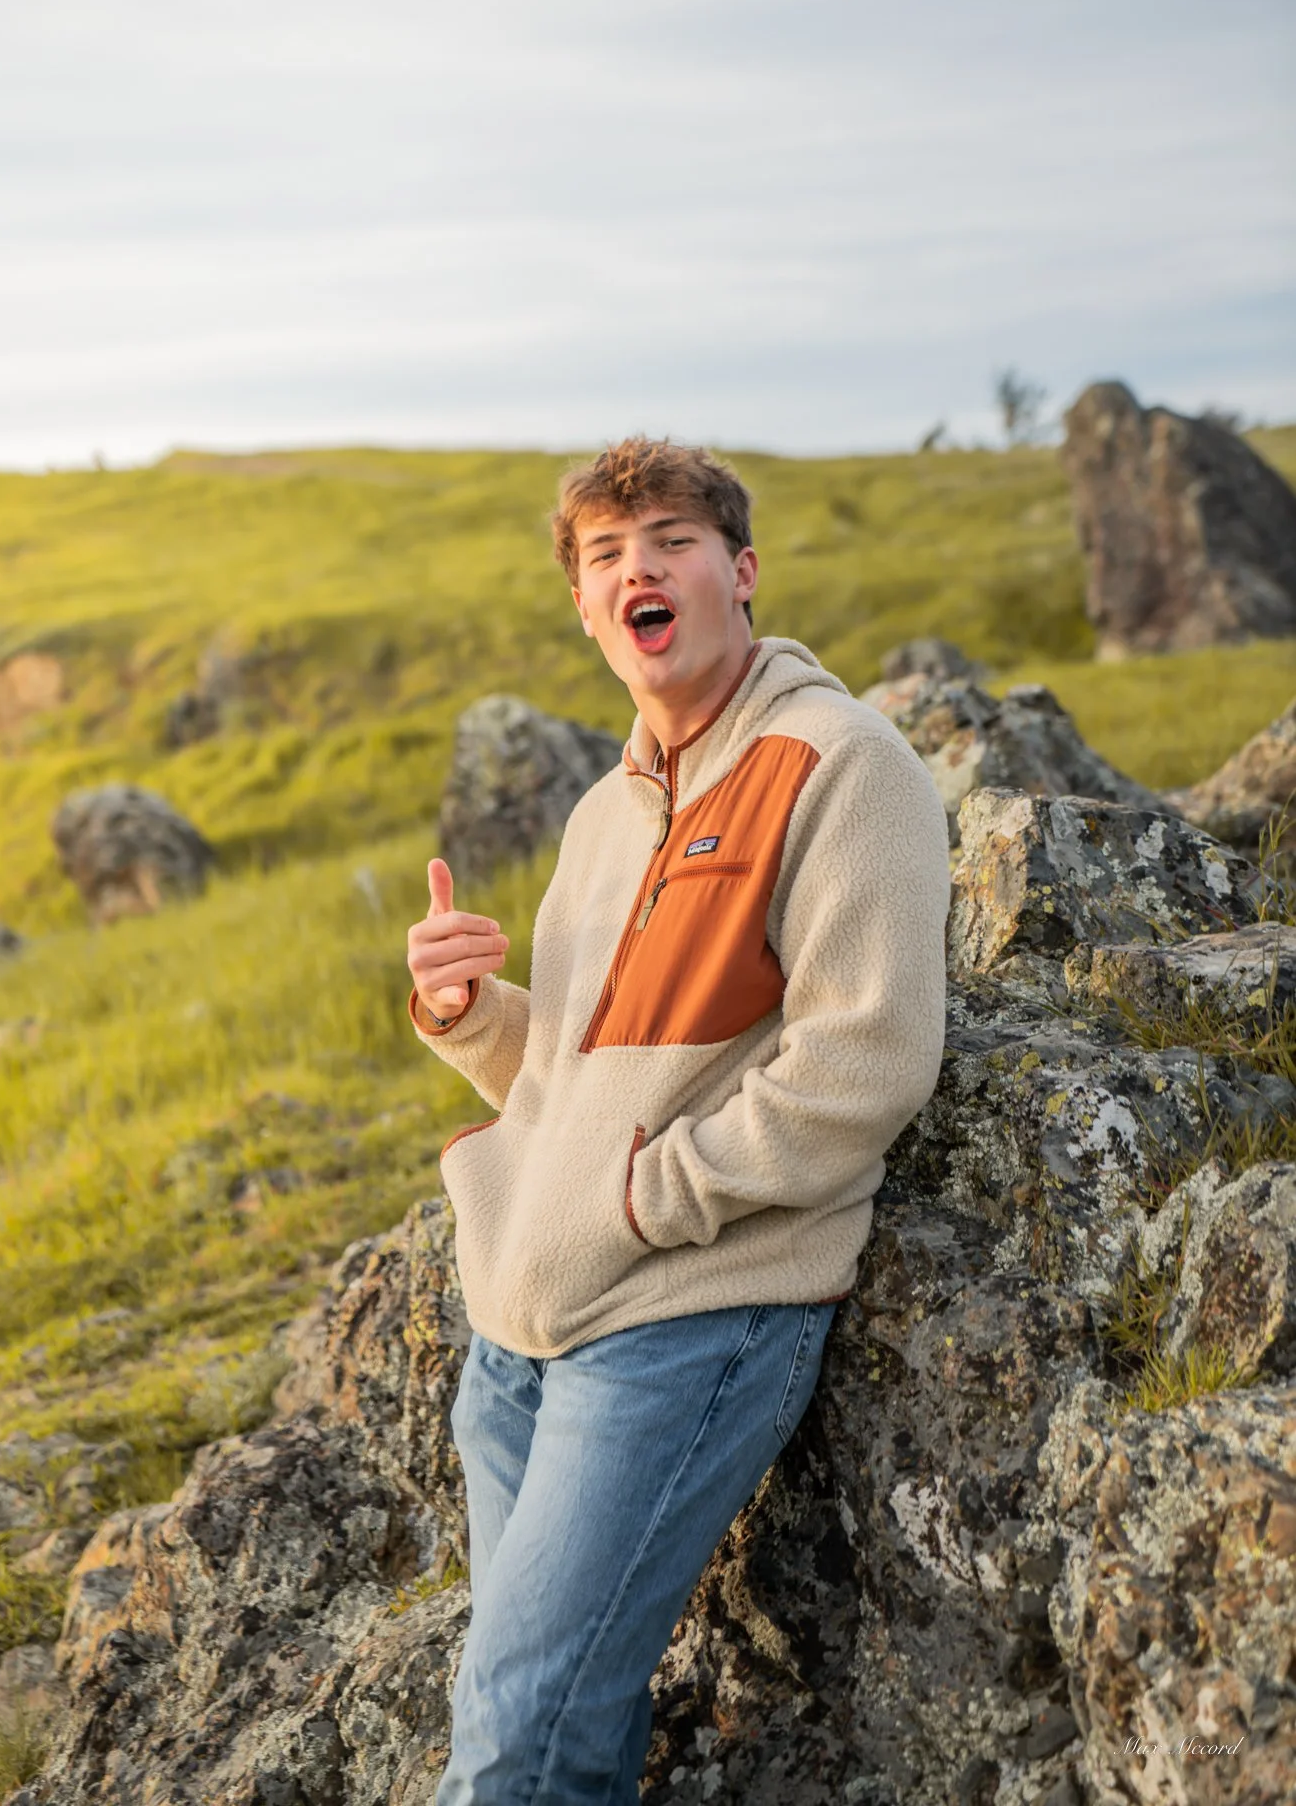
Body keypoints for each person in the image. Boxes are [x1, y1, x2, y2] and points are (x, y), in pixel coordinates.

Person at [406, 438, 950, 1804]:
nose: (634, 568)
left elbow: (865, 1063)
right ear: (586, 611)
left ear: (739, 572)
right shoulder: (605, 814)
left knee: (523, 1730)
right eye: (602, 556)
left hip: (685, 1321)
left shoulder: (840, 763)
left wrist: (650, 1199)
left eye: (667, 539)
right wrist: (475, 1019)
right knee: (514, 1707)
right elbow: (591, 1082)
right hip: (520, 1342)